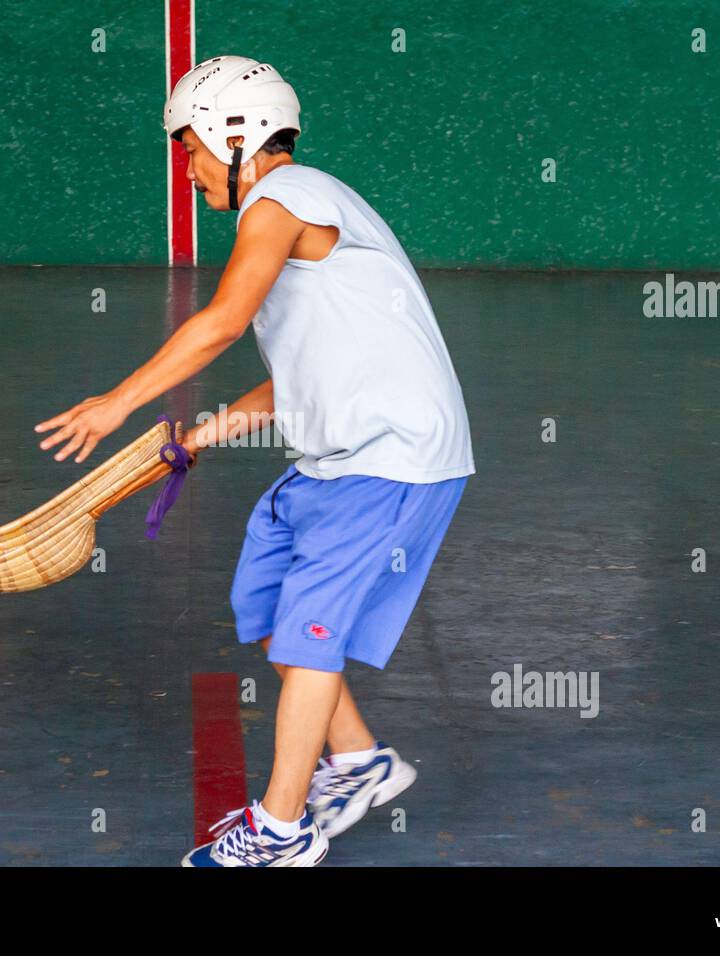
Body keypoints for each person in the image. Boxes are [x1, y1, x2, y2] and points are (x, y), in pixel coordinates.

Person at [35, 55, 475, 866]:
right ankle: (358, 762)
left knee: (307, 632)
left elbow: (223, 322)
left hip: (394, 457)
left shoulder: (280, 200)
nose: (188, 164)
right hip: (340, 455)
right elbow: (296, 380)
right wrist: (196, 438)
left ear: (232, 136)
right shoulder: (298, 212)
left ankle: (281, 830)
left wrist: (116, 403)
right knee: (273, 603)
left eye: (190, 145)